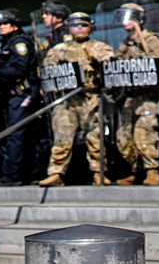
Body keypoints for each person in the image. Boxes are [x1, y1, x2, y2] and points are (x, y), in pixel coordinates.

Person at [38, 12, 114, 186]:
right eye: (75, 25)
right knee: (62, 137)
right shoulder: (58, 49)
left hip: (92, 97)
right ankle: (56, 173)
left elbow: (112, 70)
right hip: (66, 99)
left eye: (84, 24)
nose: (79, 28)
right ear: (69, 28)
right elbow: (46, 74)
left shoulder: (101, 48)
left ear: (91, 27)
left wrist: (99, 66)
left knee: (95, 137)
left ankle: (99, 173)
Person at [112, 3, 159, 186]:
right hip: (130, 96)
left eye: (131, 17)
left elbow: (158, 66)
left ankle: (152, 171)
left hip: (148, 96)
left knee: (144, 133)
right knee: (123, 136)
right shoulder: (124, 45)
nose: (126, 21)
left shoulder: (150, 40)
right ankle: (136, 170)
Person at [0, 8, 40, 185]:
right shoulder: (5, 43)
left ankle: (12, 176)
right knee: (20, 134)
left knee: (16, 134)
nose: (1, 27)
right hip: (11, 95)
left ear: (15, 25)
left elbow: (19, 69)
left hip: (23, 93)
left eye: (5, 24)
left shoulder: (20, 43)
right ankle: (29, 174)